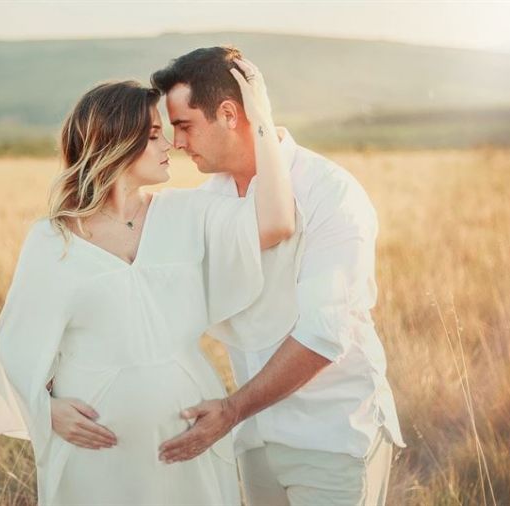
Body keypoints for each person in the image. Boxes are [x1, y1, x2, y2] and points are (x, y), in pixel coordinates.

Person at [0, 61, 303, 504]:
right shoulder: (51, 239)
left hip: (187, 434)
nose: (170, 145)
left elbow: (275, 222)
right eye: (154, 134)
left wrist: (262, 116)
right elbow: (15, 345)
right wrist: (45, 409)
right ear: (115, 143)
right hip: (95, 450)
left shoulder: (186, 213)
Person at [148, 47, 407, 505]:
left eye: (185, 125)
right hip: (253, 441)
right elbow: (154, 295)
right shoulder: (211, 199)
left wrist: (230, 410)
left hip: (332, 437)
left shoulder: (331, 192)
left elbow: (324, 335)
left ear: (229, 113)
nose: (177, 143)